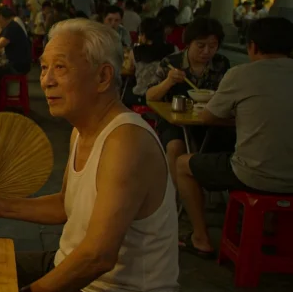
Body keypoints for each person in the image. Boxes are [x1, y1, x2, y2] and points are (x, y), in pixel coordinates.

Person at [0, 18, 178, 292]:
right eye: (44, 68)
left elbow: (98, 256)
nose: (46, 80)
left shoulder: (126, 141)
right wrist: (2, 206)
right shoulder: (81, 129)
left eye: (60, 67)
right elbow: (66, 205)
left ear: (103, 77)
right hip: (71, 266)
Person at [178, 17, 293, 257]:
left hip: (253, 175)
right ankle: (270, 229)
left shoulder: (241, 74)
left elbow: (207, 117)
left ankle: (200, 238)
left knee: (182, 164)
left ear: (252, 46)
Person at [145, 17, 231, 186]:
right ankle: (177, 193)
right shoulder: (171, 62)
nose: (206, 51)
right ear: (188, 43)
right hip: (174, 121)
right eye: (200, 45)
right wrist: (169, 81)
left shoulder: (221, 63)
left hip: (211, 121)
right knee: (175, 147)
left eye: (212, 46)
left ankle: (208, 191)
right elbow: (150, 96)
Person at [123, 18, 176, 106]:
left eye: (140, 34)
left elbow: (130, 68)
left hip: (141, 97)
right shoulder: (173, 49)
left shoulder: (136, 51)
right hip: (165, 97)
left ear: (144, 35)